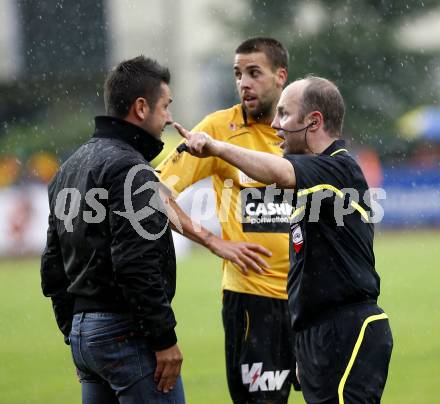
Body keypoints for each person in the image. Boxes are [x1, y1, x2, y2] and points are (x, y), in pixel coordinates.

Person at [174, 75, 393, 404]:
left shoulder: (339, 169)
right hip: (316, 334)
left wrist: (215, 147)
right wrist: (303, 340)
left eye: (285, 114)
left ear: (313, 121)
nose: (275, 124)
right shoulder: (311, 187)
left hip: (348, 331)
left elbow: (278, 171)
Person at [157, 38, 299, 403]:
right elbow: (152, 192)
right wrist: (211, 240)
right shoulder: (217, 130)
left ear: (280, 76)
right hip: (254, 301)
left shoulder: (301, 131)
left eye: (254, 73)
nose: (243, 83)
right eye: (238, 74)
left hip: (313, 298)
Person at [41, 56, 185, 404]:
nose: (168, 118)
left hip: (84, 335)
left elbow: (53, 265)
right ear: (140, 108)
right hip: (126, 333)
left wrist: (74, 331)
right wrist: (164, 339)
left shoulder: (69, 167)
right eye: (165, 107)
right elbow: (136, 262)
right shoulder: (133, 170)